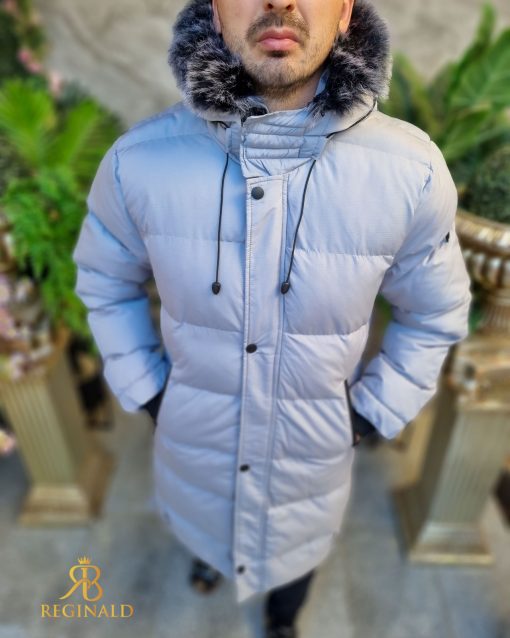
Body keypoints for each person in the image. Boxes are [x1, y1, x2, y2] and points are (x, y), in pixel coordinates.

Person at [71, 0, 473, 636]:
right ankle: (209, 560)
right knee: (202, 523)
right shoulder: (137, 162)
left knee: (296, 550)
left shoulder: (412, 172)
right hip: (193, 442)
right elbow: (104, 280)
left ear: (345, 12)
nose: (280, 2)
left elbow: (435, 311)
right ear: (215, 11)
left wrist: (372, 411)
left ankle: (282, 619)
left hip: (312, 458)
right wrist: (147, 388)